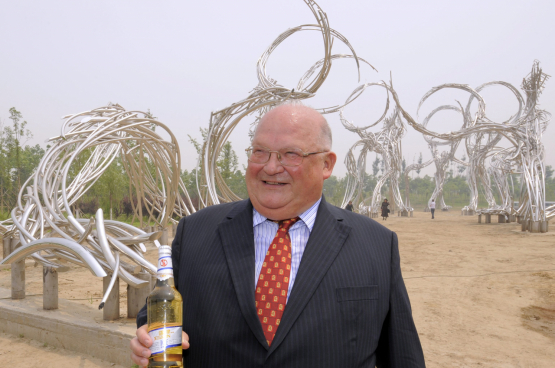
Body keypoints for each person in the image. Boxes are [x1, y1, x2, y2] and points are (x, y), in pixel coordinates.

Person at [130, 102, 425, 368]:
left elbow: (403, 355)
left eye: (290, 154)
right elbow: (159, 314)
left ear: (326, 164)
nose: (270, 167)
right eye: (260, 152)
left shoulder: (376, 245)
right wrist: (146, 337)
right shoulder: (196, 231)